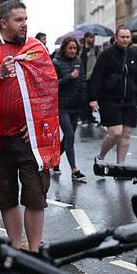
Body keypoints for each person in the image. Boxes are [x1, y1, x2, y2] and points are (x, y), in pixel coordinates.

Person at [0, 0, 59, 253]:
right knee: (5, 196)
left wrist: (37, 124)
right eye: (19, 20)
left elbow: (50, 90)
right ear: (4, 23)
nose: (25, 24)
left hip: (30, 137)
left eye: (26, 19)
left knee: (35, 196)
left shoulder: (36, 48)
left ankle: (34, 250)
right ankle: (16, 249)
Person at [89, 26, 137, 165]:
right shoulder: (106, 54)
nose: (125, 40)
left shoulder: (135, 54)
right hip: (110, 98)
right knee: (116, 132)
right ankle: (100, 157)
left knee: (126, 134)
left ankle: (120, 167)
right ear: (116, 38)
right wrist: (93, 98)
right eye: (122, 37)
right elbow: (97, 76)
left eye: (127, 37)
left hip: (129, 98)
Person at [51, 38, 87, 181]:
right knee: (70, 135)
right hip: (62, 106)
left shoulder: (78, 61)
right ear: (64, 48)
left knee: (67, 138)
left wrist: (85, 103)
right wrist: (69, 77)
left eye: (74, 48)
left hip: (75, 105)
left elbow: (83, 82)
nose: (73, 51)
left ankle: (54, 161)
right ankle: (74, 170)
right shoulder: (56, 63)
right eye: (70, 48)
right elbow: (53, 84)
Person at [78, 32, 98, 125]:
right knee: (83, 99)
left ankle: (90, 117)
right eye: (91, 37)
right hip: (81, 77)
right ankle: (84, 117)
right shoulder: (80, 49)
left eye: (93, 37)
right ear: (86, 38)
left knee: (91, 97)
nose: (93, 39)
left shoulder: (96, 49)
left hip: (92, 77)